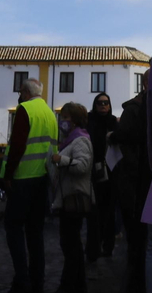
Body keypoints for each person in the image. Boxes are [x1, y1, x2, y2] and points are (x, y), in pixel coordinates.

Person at [0, 78, 56, 293]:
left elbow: (17, 144)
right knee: (35, 232)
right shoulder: (50, 113)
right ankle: (37, 280)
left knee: (13, 227)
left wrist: (8, 174)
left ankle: (22, 279)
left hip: (23, 177)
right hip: (43, 177)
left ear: (24, 92)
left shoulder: (25, 109)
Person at [108, 88, 150, 293]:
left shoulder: (133, 110)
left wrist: (114, 136)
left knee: (137, 239)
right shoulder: (143, 109)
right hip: (142, 179)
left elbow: (127, 137)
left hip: (134, 180)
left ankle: (136, 281)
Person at [51, 103, 93, 293]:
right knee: (71, 243)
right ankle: (78, 284)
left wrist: (62, 160)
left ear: (75, 120)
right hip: (68, 197)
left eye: (66, 118)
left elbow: (83, 166)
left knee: (70, 244)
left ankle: (68, 285)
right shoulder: (70, 140)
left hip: (74, 198)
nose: (63, 121)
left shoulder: (80, 140)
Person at [84, 93, 117, 262]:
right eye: (100, 103)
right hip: (93, 171)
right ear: (95, 105)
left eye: (106, 103)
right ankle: (93, 247)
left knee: (109, 211)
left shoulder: (113, 122)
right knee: (93, 211)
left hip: (110, 172)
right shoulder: (90, 121)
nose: (103, 105)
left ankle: (107, 245)